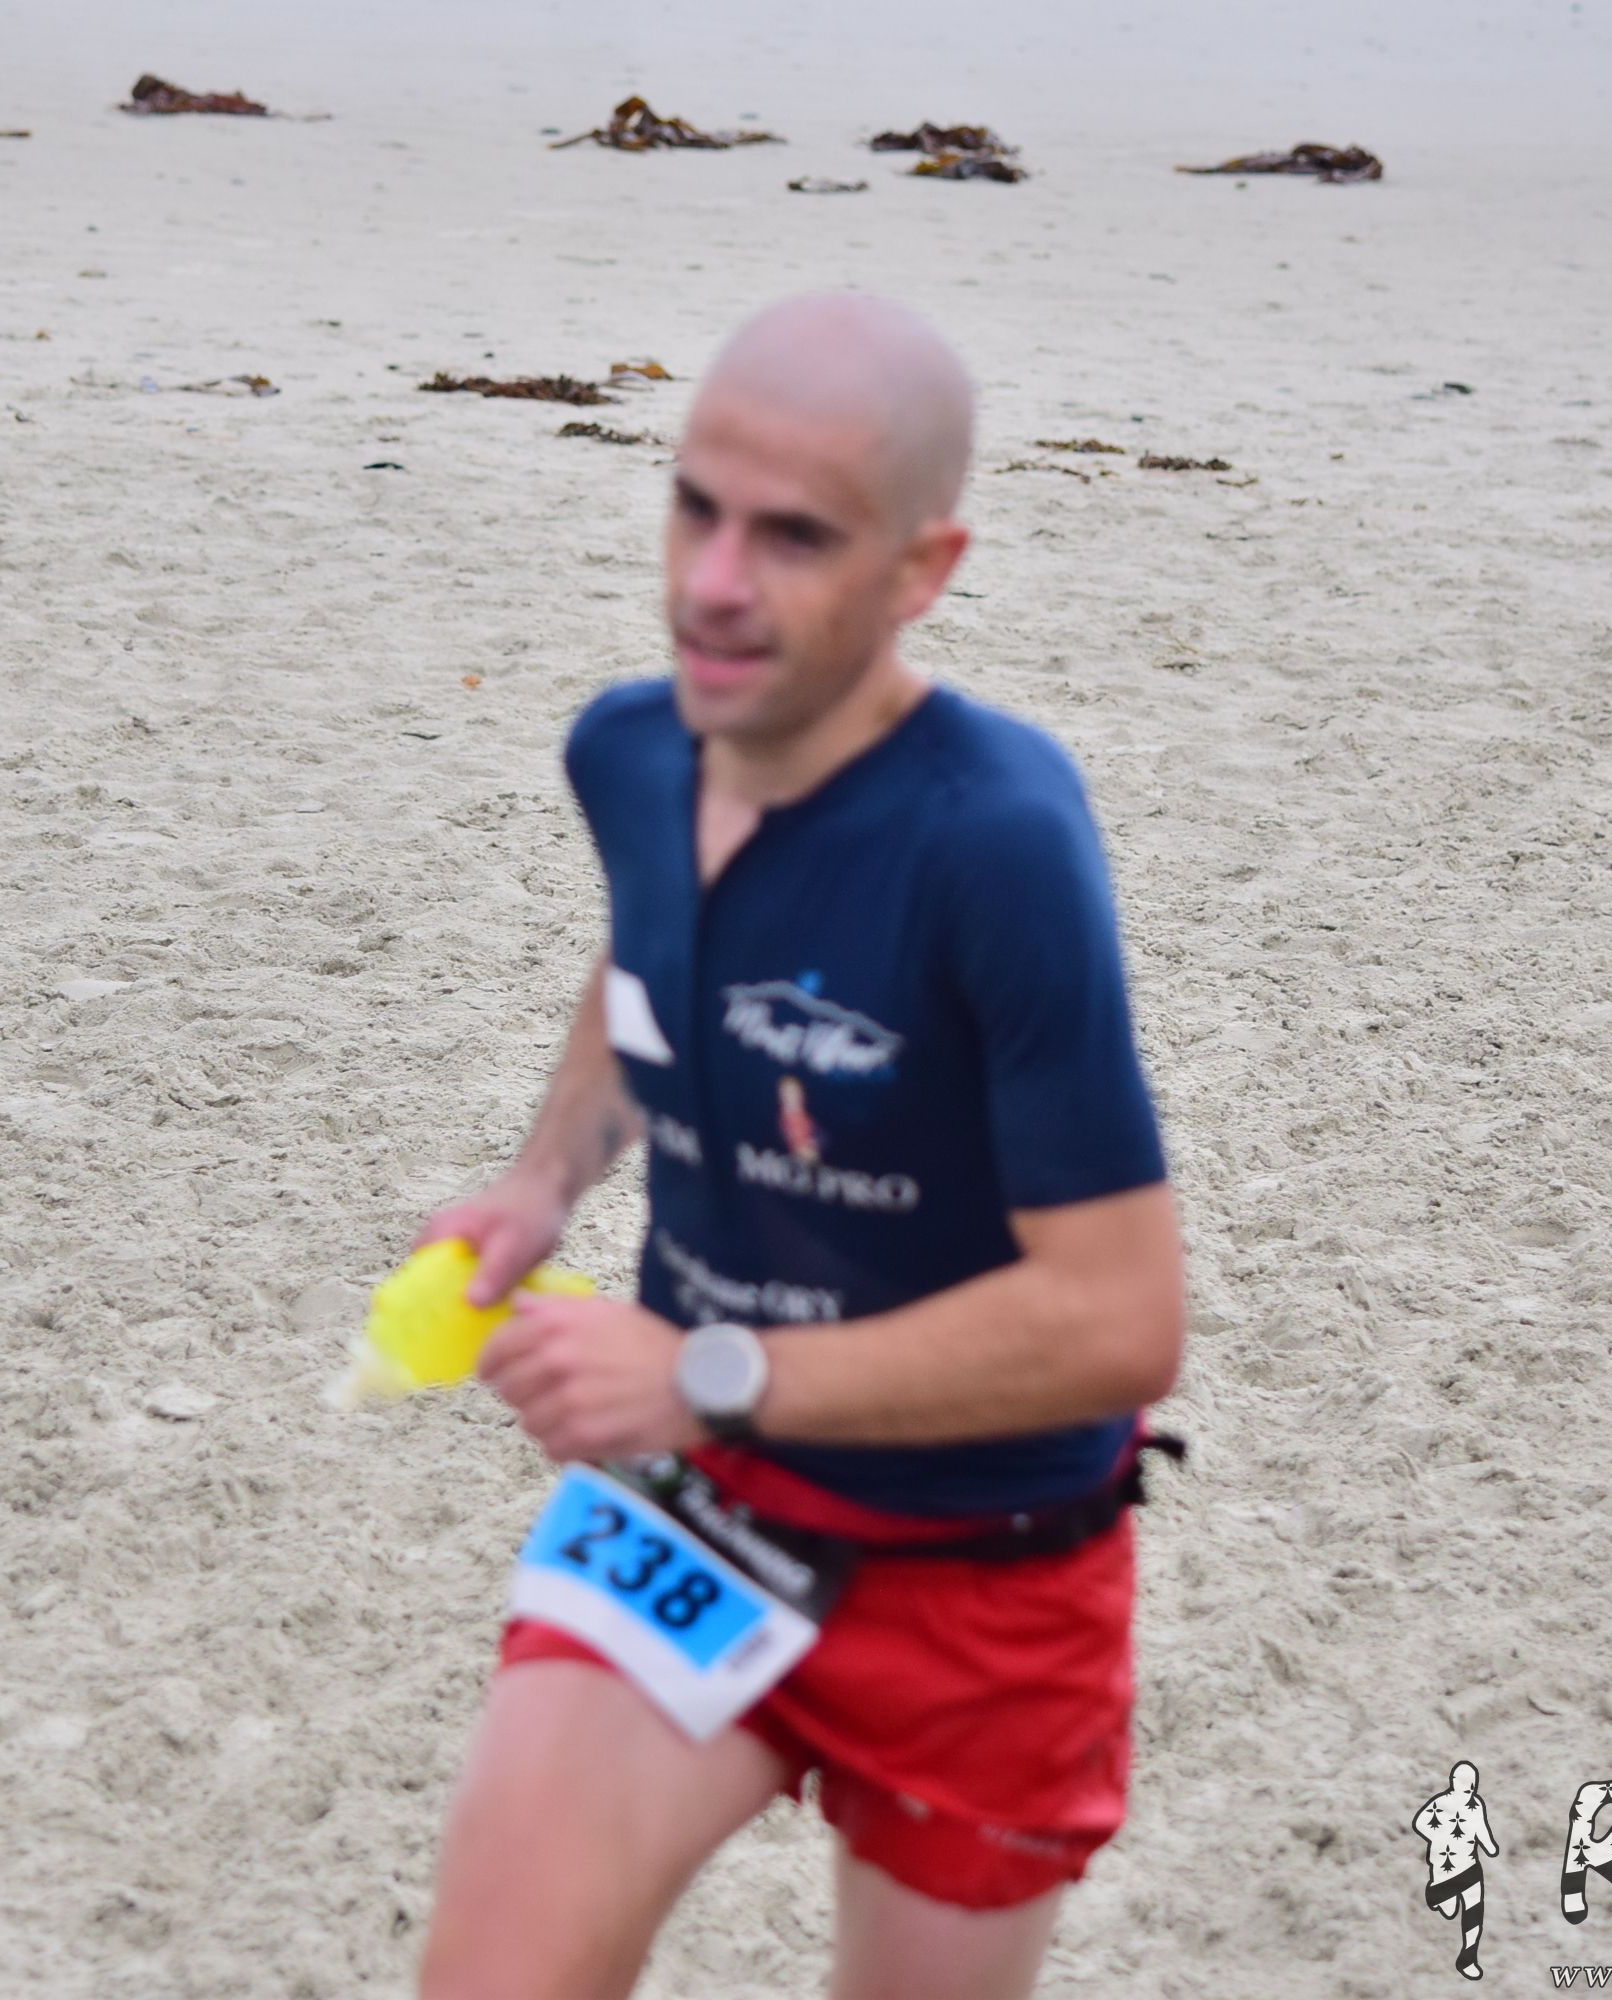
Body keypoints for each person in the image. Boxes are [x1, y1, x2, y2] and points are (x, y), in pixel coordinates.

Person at [412, 292, 1187, 2000]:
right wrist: (546, 1179)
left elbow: (1122, 1323)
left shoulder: (997, 840)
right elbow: (652, 952)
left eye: (794, 537)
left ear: (923, 569)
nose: (713, 582)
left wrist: (704, 1370)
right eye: (696, 507)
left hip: (985, 1577)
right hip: (699, 1510)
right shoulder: (630, 750)